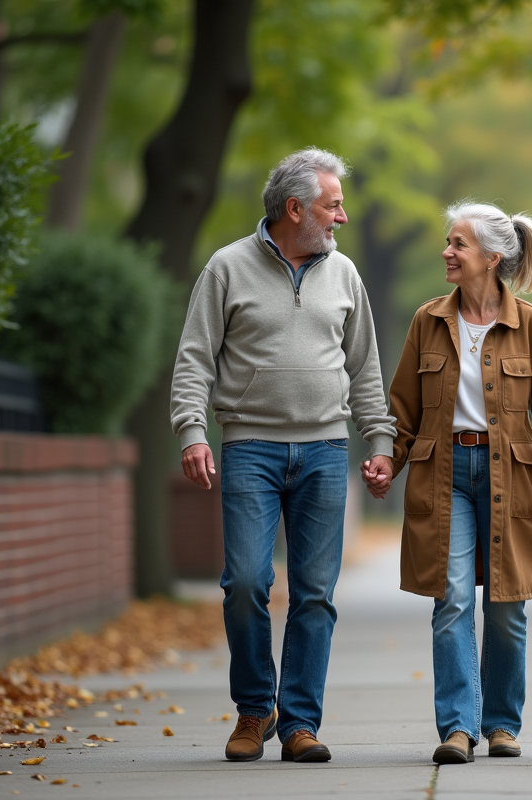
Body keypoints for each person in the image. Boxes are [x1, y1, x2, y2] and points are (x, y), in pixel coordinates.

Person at [171, 147, 396, 764]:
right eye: (333, 205)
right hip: (251, 448)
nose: (342, 217)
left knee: (315, 593)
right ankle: (254, 709)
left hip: (325, 449)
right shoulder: (226, 268)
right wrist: (192, 431)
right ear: (295, 209)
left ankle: (300, 722)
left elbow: (366, 367)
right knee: (245, 582)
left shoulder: (344, 274)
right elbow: (195, 356)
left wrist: (379, 442)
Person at [361, 201, 532, 765]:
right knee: (451, 600)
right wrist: (386, 460)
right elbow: (404, 405)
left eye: (458, 244)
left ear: (491, 258)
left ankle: (501, 725)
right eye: (448, 243)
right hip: (443, 475)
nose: (447, 252)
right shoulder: (428, 321)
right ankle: (457, 729)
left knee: (507, 606)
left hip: (509, 477)